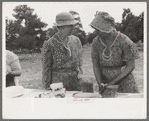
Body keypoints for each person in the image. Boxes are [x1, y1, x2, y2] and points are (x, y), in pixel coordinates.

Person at [90, 11, 139, 93]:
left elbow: (131, 66)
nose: (96, 32)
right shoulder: (96, 42)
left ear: (106, 29)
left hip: (124, 81)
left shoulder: (125, 40)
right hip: (105, 81)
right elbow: (96, 66)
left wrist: (113, 83)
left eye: (98, 30)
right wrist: (100, 83)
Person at [41, 12, 83, 91]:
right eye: (70, 25)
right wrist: (47, 87)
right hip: (58, 83)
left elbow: (80, 63)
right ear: (60, 27)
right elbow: (46, 68)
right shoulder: (49, 44)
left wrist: (81, 77)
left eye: (73, 25)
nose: (72, 27)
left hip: (75, 82)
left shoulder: (76, 40)